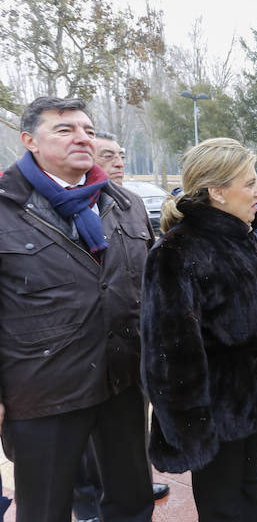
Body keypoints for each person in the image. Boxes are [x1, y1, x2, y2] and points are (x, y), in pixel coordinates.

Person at [0, 97, 154, 522]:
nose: (82, 137)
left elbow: (146, 293)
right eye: (65, 129)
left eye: (87, 129)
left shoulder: (126, 204)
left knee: (132, 499)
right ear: (29, 140)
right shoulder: (5, 207)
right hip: (43, 391)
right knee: (45, 509)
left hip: (122, 382)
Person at [141, 138, 257, 521]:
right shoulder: (176, 253)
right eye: (249, 183)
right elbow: (168, 354)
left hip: (253, 400)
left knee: (249, 483)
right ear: (217, 191)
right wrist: (189, 429)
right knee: (222, 504)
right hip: (213, 413)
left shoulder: (243, 234)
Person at [70, 132, 169, 522]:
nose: (119, 162)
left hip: (129, 348)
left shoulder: (130, 206)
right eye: (108, 155)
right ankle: (88, 504)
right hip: (77, 354)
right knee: (83, 445)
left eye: (122, 155)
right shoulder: (65, 207)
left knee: (127, 434)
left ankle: (134, 485)